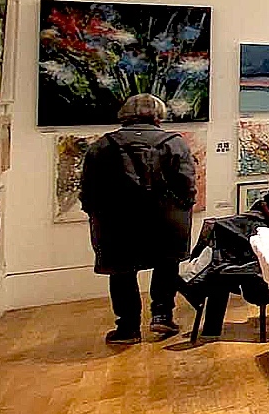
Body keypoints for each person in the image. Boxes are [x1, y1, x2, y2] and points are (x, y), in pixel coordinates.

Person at [80, 93, 198, 344]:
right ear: (158, 114)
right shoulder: (174, 143)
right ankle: (162, 316)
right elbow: (186, 184)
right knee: (167, 266)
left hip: (117, 221)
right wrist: (183, 206)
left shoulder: (103, 145)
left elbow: (89, 189)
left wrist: (94, 212)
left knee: (122, 272)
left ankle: (128, 328)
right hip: (166, 217)